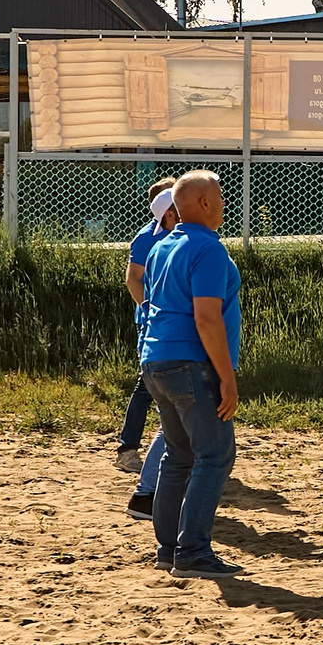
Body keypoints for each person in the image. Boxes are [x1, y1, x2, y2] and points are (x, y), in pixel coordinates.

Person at [139, 171, 247, 580]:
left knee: (178, 456)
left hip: (157, 362)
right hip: (190, 364)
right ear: (203, 203)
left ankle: (168, 549)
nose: (223, 202)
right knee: (215, 455)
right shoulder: (208, 249)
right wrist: (227, 377)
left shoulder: (161, 246)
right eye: (218, 196)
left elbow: (151, 305)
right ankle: (193, 551)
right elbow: (206, 318)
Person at [115, 178, 181, 484]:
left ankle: (171, 448)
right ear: (168, 212)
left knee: (157, 388)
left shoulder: (176, 236)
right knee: (146, 387)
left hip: (170, 322)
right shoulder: (147, 238)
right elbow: (133, 280)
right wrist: (151, 311)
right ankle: (127, 450)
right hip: (155, 322)